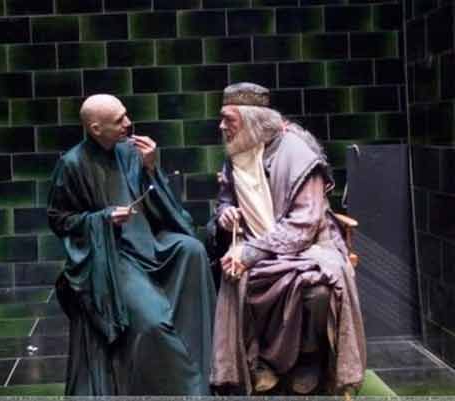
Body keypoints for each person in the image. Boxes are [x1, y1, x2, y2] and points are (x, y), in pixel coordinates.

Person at [47, 94, 216, 395]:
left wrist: (151, 167)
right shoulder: (72, 164)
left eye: (126, 115)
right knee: (152, 322)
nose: (128, 123)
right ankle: (181, 388)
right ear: (96, 128)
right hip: (112, 256)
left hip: (148, 242)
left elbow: (158, 204)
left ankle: (208, 364)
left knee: (192, 250)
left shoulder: (129, 152)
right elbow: (59, 220)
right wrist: (103, 218)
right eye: (119, 120)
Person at [207, 83, 366, 395]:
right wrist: (226, 213)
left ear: (252, 120)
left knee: (318, 289)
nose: (221, 126)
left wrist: (251, 252)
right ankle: (262, 360)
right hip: (256, 239)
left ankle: (309, 357)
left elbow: (303, 226)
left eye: (229, 119)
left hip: (311, 244)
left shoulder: (299, 153)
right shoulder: (238, 149)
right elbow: (226, 199)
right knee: (238, 276)